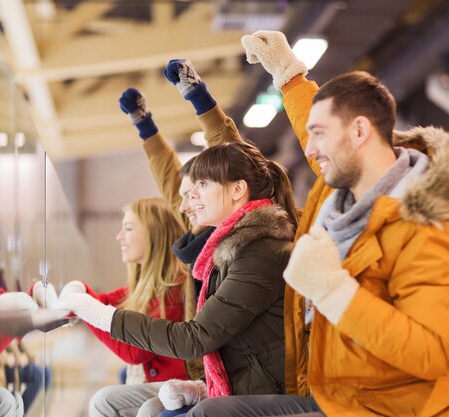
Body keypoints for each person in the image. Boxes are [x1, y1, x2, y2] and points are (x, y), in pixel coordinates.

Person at [185, 30, 449, 417]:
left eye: (319, 136)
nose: (308, 148)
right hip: (332, 392)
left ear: (359, 132)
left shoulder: (423, 227)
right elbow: (319, 126)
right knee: (212, 411)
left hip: (386, 407)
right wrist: (289, 76)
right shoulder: (342, 196)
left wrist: (332, 290)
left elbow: (432, 354)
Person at [58, 139, 298, 416]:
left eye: (203, 185)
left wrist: (96, 313)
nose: (191, 198)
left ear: (237, 189)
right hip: (242, 387)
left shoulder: (259, 254)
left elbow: (195, 339)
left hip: (267, 394)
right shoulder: (232, 252)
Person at [40, 198, 193, 417]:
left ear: (154, 234)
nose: (119, 236)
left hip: (179, 390)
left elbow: (134, 352)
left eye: (128, 228)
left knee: (104, 402)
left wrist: (81, 305)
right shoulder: (144, 287)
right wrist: (77, 290)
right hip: (161, 386)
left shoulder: (175, 289)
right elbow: (102, 301)